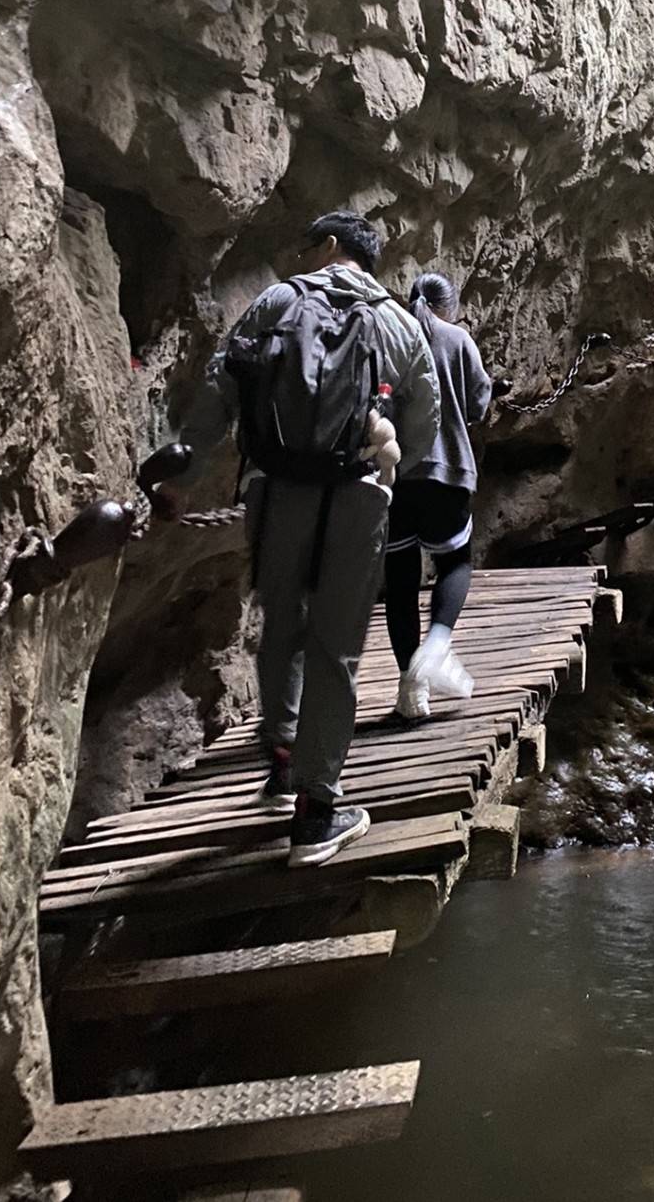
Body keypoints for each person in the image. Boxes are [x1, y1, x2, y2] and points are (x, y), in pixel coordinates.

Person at [170, 211, 440, 867]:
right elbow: (426, 420)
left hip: (276, 488)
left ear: (327, 245)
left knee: (281, 624)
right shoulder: (398, 324)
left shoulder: (276, 301)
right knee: (335, 647)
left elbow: (222, 386)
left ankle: (283, 758)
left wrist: (181, 469)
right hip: (359, 495)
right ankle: (317, 812)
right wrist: (390, 461)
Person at [385, 272, 494, 719]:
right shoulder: (457, 338)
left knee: (399, 582)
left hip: (392, 477)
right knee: (456, 561)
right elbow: (478, 403)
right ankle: (437, 642)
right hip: (447, 470)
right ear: (449, 304)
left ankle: (411, 694)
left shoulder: (388, 336)